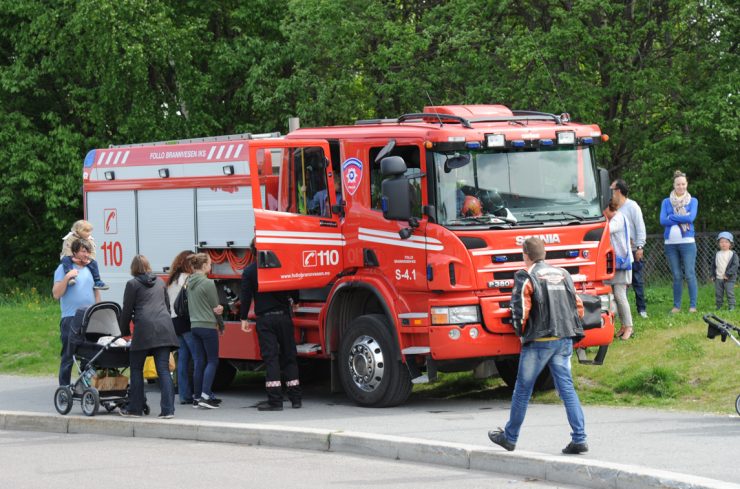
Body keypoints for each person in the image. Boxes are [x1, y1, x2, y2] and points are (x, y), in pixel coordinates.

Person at [488, 237, 588, 455]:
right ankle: (579, 438)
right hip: (563, 339)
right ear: (545, 254)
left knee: (523, 390)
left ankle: (510, 437)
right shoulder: (564, 274)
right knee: (567, 388)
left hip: (539, 342)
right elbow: (578, 307)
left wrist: (522, 333)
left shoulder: (526, 276)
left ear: (525, 255)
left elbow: (520, 311)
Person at [240, 239, 301, 411]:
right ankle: (296, 398)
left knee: (271, 358)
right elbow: (293, 284)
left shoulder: (250, 271)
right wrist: (296, 301)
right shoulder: (281, 266)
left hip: (265, 320)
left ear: (252, 251)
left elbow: (245, 297)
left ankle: (275, 401)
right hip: (284, 318)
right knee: (289, 356)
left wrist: (243, 318)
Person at [118, 255, 179, 418]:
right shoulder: (159, 282)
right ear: (148, 266)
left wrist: (124, 332)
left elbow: (126, 310)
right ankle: (168, 410)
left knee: (136, 368)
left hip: (144, 329)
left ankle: (135, 409)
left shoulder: (132, 284)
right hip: (164, 328)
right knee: (164, 370)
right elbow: (167, 306)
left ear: (133, 269)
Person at [52, 238, 101, 386]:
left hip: (90, 318)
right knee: (68, 356)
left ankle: (83, 386)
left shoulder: (91, 268)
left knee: (90, 356)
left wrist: (99, 313)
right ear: (74, 252)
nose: (86, 254)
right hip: (70, 318)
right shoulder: (63, 269)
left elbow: (96, 293)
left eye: (88, 251)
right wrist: (67, 277)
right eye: (83, 251)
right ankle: (64, 387)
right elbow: (56, 294)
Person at [187, 253, 224, 409]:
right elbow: (216, 308)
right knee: (212, 361)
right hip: (208, 326)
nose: (211, 266)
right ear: (203, 266)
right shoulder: (208, 283)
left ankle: (196, 397)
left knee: (199, 362)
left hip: (194, 326)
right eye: (209, 264)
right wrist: (221, 325)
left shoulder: (189, 283)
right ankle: (205, 395)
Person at [660, 170, 699, 313]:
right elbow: (662, 220)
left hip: (688, 242)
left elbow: (690, 219)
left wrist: (672, 217)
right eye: (678, 184)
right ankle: (676, 306)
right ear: (674, 185)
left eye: (683, 184)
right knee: (676, 275)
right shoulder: (666, 201)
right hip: (670, 244)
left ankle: (693, 306)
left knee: (689, 273)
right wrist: (679, 217)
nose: (681, 187)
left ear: (686, 184)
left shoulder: (693, 201)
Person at [610, 179, 647, 318]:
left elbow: (640, 226)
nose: (610, 192)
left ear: (618, 191)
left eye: (612, 189)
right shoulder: (612, 207)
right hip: (617, 252)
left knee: (637, 280)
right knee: (619, 285)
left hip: (632, 248)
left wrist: (639, 246)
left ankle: (642, 309)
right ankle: (621, 312)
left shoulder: (632, 206)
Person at [167, 250, 195, 405]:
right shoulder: (188, 279)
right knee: (198, 357)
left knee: (183, 358)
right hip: (186, 322)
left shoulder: (173, 279)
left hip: (174, 322)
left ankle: (184, 395)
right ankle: (200, 394)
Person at [604, 202, 634, 340]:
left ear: (608, 208)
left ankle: (629, 326)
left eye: (603, 211)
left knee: (620, 295)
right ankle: (623, 326)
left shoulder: (618, 219)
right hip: (617, 263)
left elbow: (607, 230)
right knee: (616, 295)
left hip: (622, 263)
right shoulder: (617, 217)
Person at [60, 220, 108, 290]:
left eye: (90, 231)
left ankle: (97, 280)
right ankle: (71, 277)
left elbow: (92, 250)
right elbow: (67, 248)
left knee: (94, 263)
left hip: (85, 258)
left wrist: (89, 259)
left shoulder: (89, 239)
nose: (89, 233)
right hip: (71, 257)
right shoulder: (70, 237)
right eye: (87, 231)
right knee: (65, 260)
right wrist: (72, 257)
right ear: (78, 230)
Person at [711, 232, 737, 311]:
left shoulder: (732, 254)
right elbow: (713, 265)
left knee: (729, 292)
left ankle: (731, 306)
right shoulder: (717, 254)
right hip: (719, 278)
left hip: (729, 278)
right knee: (718, 293)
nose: (723, 244)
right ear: (718, 243)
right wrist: (712, 275)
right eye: (721, 242)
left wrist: (727, 274)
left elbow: (735, 266)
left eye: (726, 242)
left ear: (730, 244)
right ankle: (719, 306)